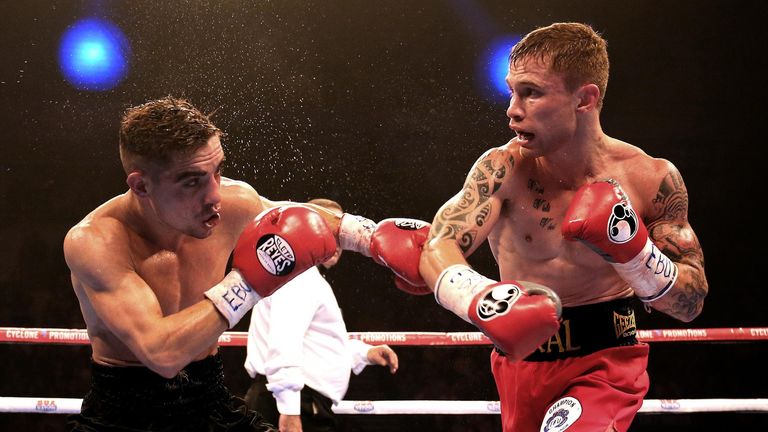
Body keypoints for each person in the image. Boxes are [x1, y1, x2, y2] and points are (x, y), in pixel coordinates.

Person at [62, 96, 424, 431]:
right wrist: (250, 280)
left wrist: (373, 238)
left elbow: (303, 221)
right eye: (192, 182)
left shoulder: (233, 204)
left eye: (218, 171)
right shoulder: (96, 242)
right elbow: (162, 352)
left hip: (210, 398)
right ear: (141, 186)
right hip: (123, 415)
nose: (215, 195)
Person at [416, 22, 709, 432]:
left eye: (531, 92)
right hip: (521, 365)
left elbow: (690, 302)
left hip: (607, 360)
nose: (512, 109)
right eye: (512, 91)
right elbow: (438, 244)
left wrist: (635, 253)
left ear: (585, 99)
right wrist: (482, 300)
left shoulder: (650, 179)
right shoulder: (503, 170)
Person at [243, 198, 399, 432]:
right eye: (329, 230)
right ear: (308, 228)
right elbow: (284, 342)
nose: (339, 242)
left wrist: (364, 353)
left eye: (341, 233)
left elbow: (315, 343)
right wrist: (290, 410)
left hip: (298, 401)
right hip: (294, 404)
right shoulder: (300, 277)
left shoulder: (305, 275)